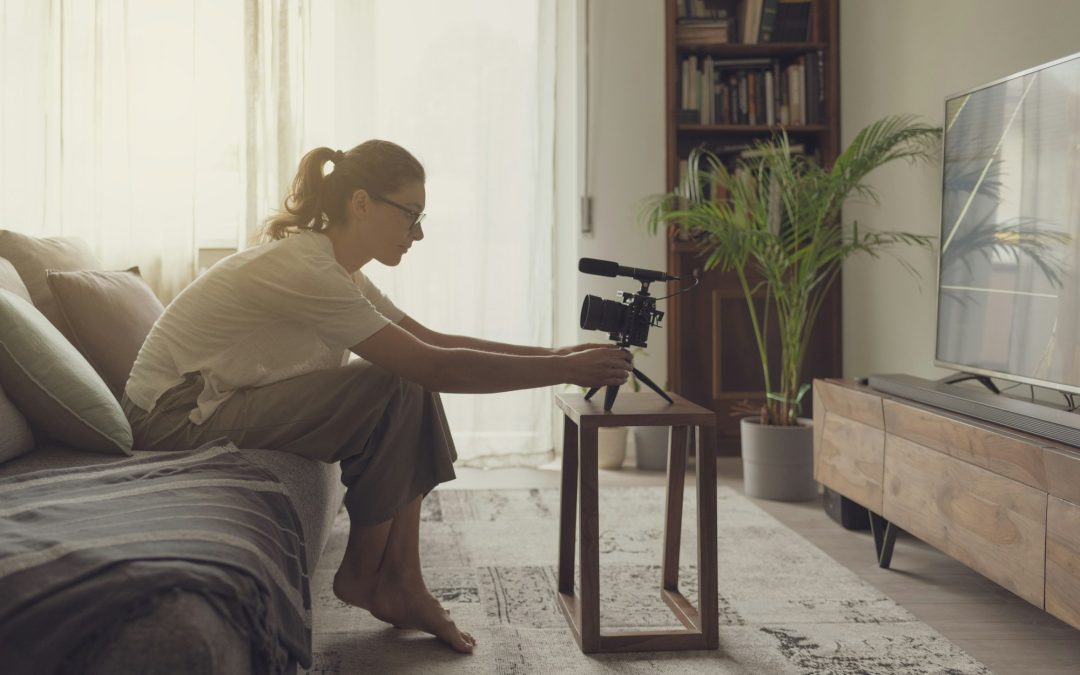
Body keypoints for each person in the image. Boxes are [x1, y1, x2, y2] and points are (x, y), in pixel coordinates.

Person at [121, 139, 632, 655]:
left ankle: (399, 579)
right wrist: (561, 370)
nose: (419, 232)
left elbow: (430, 341)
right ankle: (378, 577)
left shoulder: (339, 270)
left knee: (403, 376)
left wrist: (554, 352)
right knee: (400, 378)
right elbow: (430, 364)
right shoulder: (306, 268)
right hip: (173, 417)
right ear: (361, 203)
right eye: (410, 215)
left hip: (215, 402)